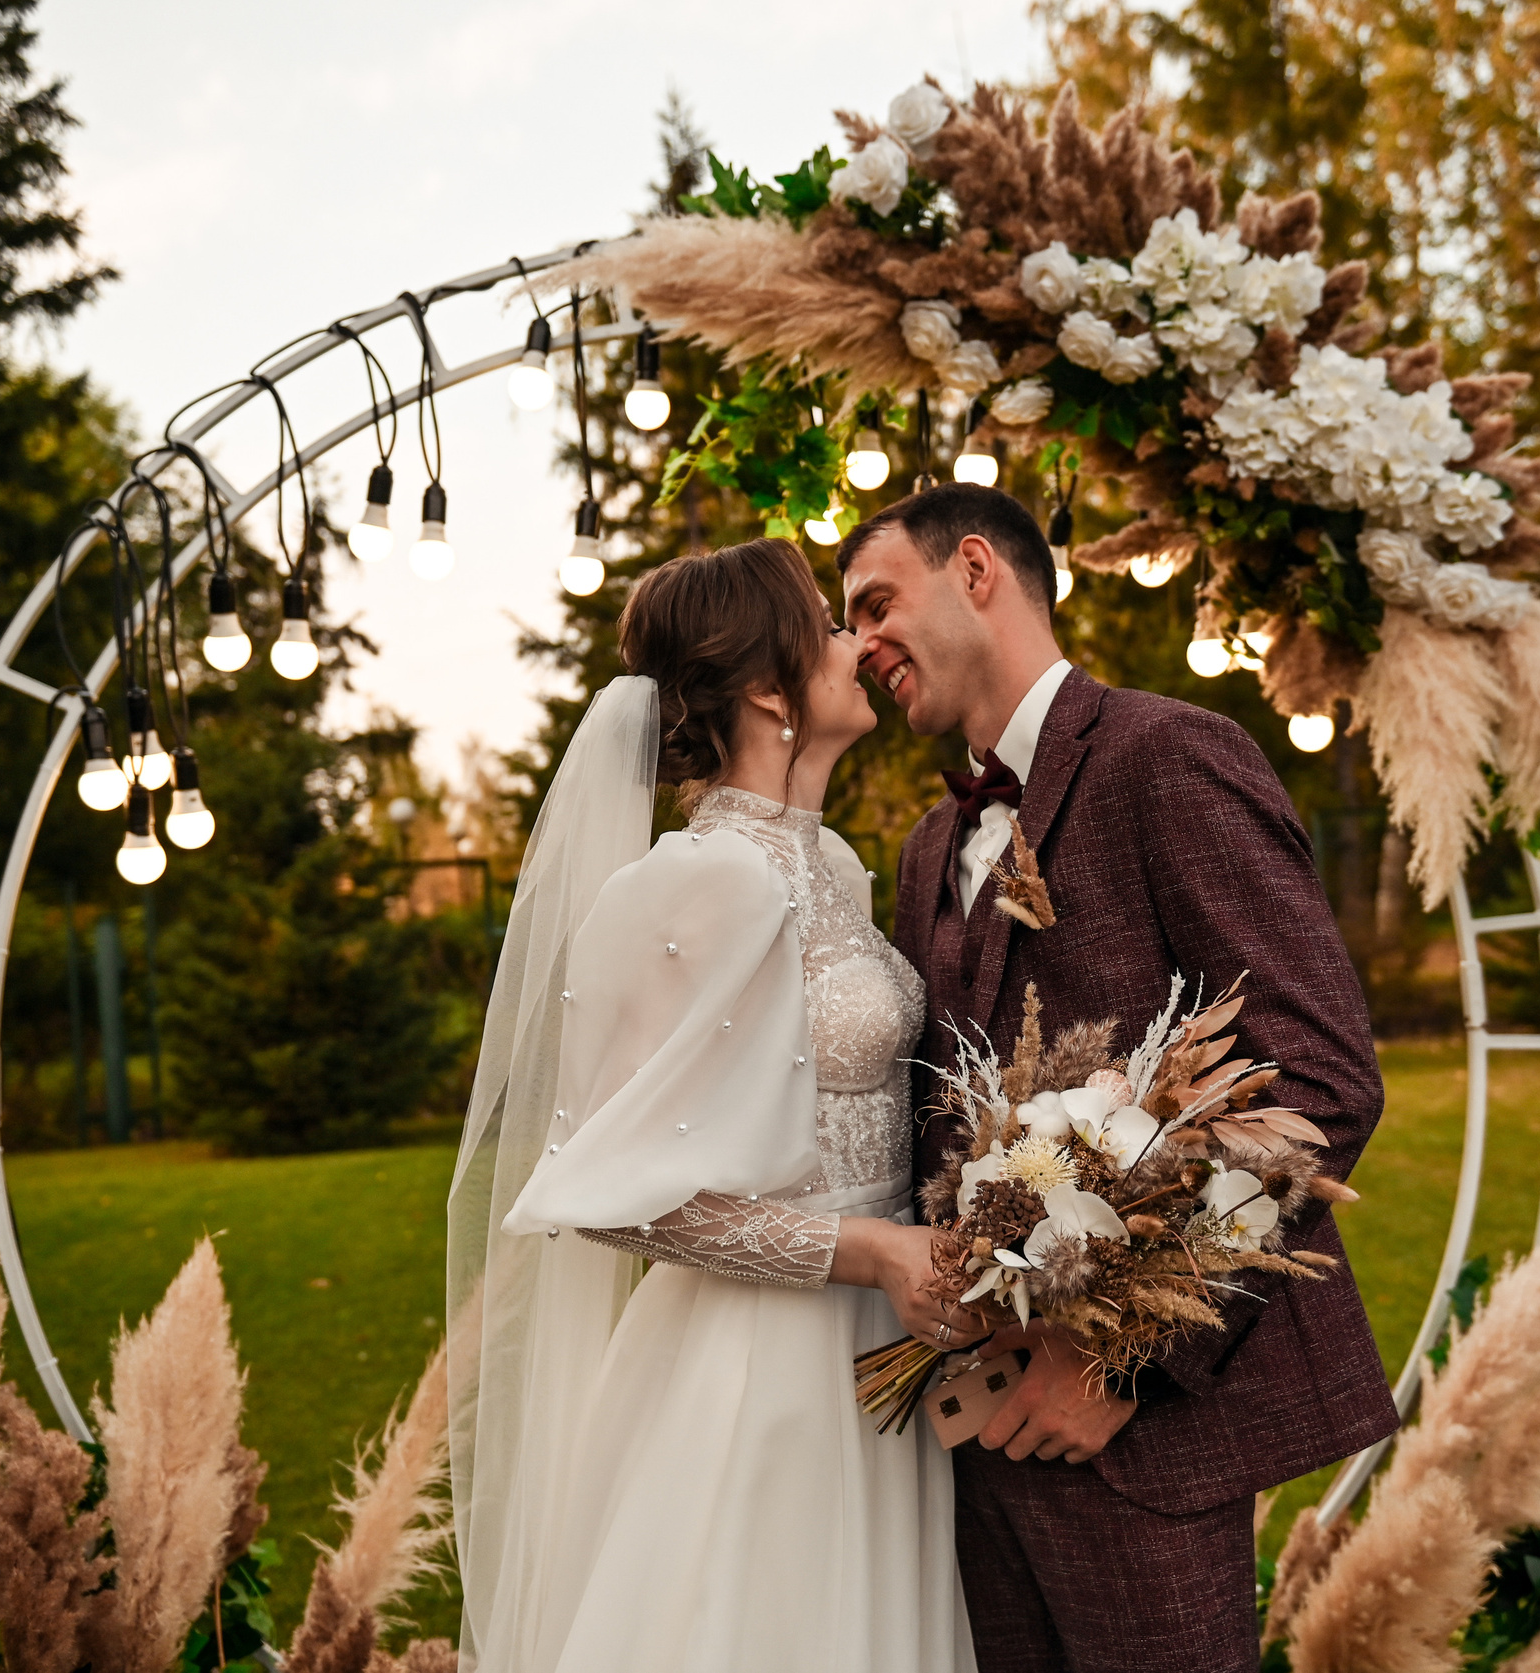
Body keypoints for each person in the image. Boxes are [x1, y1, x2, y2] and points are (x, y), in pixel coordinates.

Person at [840, 484, 1401, 1673]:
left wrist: (1120, 1356)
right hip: (970, 1438)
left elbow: (1320, 1078)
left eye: (876, 602)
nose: (859, 643)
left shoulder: (1169, 754)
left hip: (1144, 1444)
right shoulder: (926, 849)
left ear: (976, 569)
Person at [444, 537, 978, 1672]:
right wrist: (869, 1247)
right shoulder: (697, 880)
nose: (859, 643)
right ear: (768, 685)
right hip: (760, 1371)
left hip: (885, 1352)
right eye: (831, 628)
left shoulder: (827, 863)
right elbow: (616, 1201)